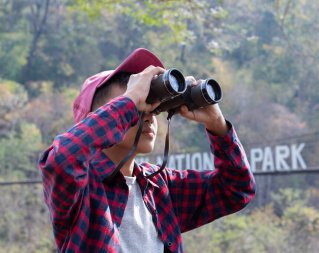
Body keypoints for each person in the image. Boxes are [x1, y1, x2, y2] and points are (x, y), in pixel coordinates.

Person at [39, 48, 256, 253]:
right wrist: (130, 102)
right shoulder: (82, 186)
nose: (148, 114)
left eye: (152, 103)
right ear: (96, 118)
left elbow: (236, 189)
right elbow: (61, 160)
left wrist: (217, 125)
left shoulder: (159, 187)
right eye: (137, 104)